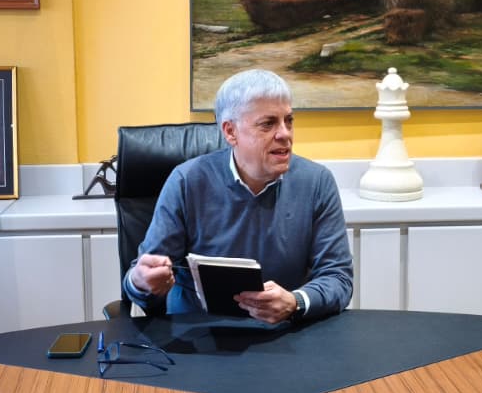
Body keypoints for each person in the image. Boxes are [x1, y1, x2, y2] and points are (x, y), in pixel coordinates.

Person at [124, 68, 352, 323]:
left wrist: (295, 301)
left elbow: (338, 279)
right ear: (230, 132)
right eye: (268, 123)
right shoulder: (187, 181)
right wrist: (141, 282)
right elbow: (143, 283)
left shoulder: (317, 181)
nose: (285, 134)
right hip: (199, 336)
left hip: (284, 335)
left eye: (288, 120)